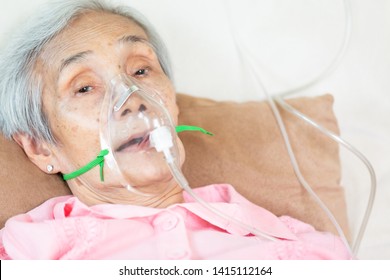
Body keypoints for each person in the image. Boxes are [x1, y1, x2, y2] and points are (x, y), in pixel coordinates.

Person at [0, 0, 351, 260]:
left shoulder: (295, 244)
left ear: (173, 102)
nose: (132, 100)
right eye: (84, 87)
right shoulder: (30, 250)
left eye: (141, 71)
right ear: (40, 147)